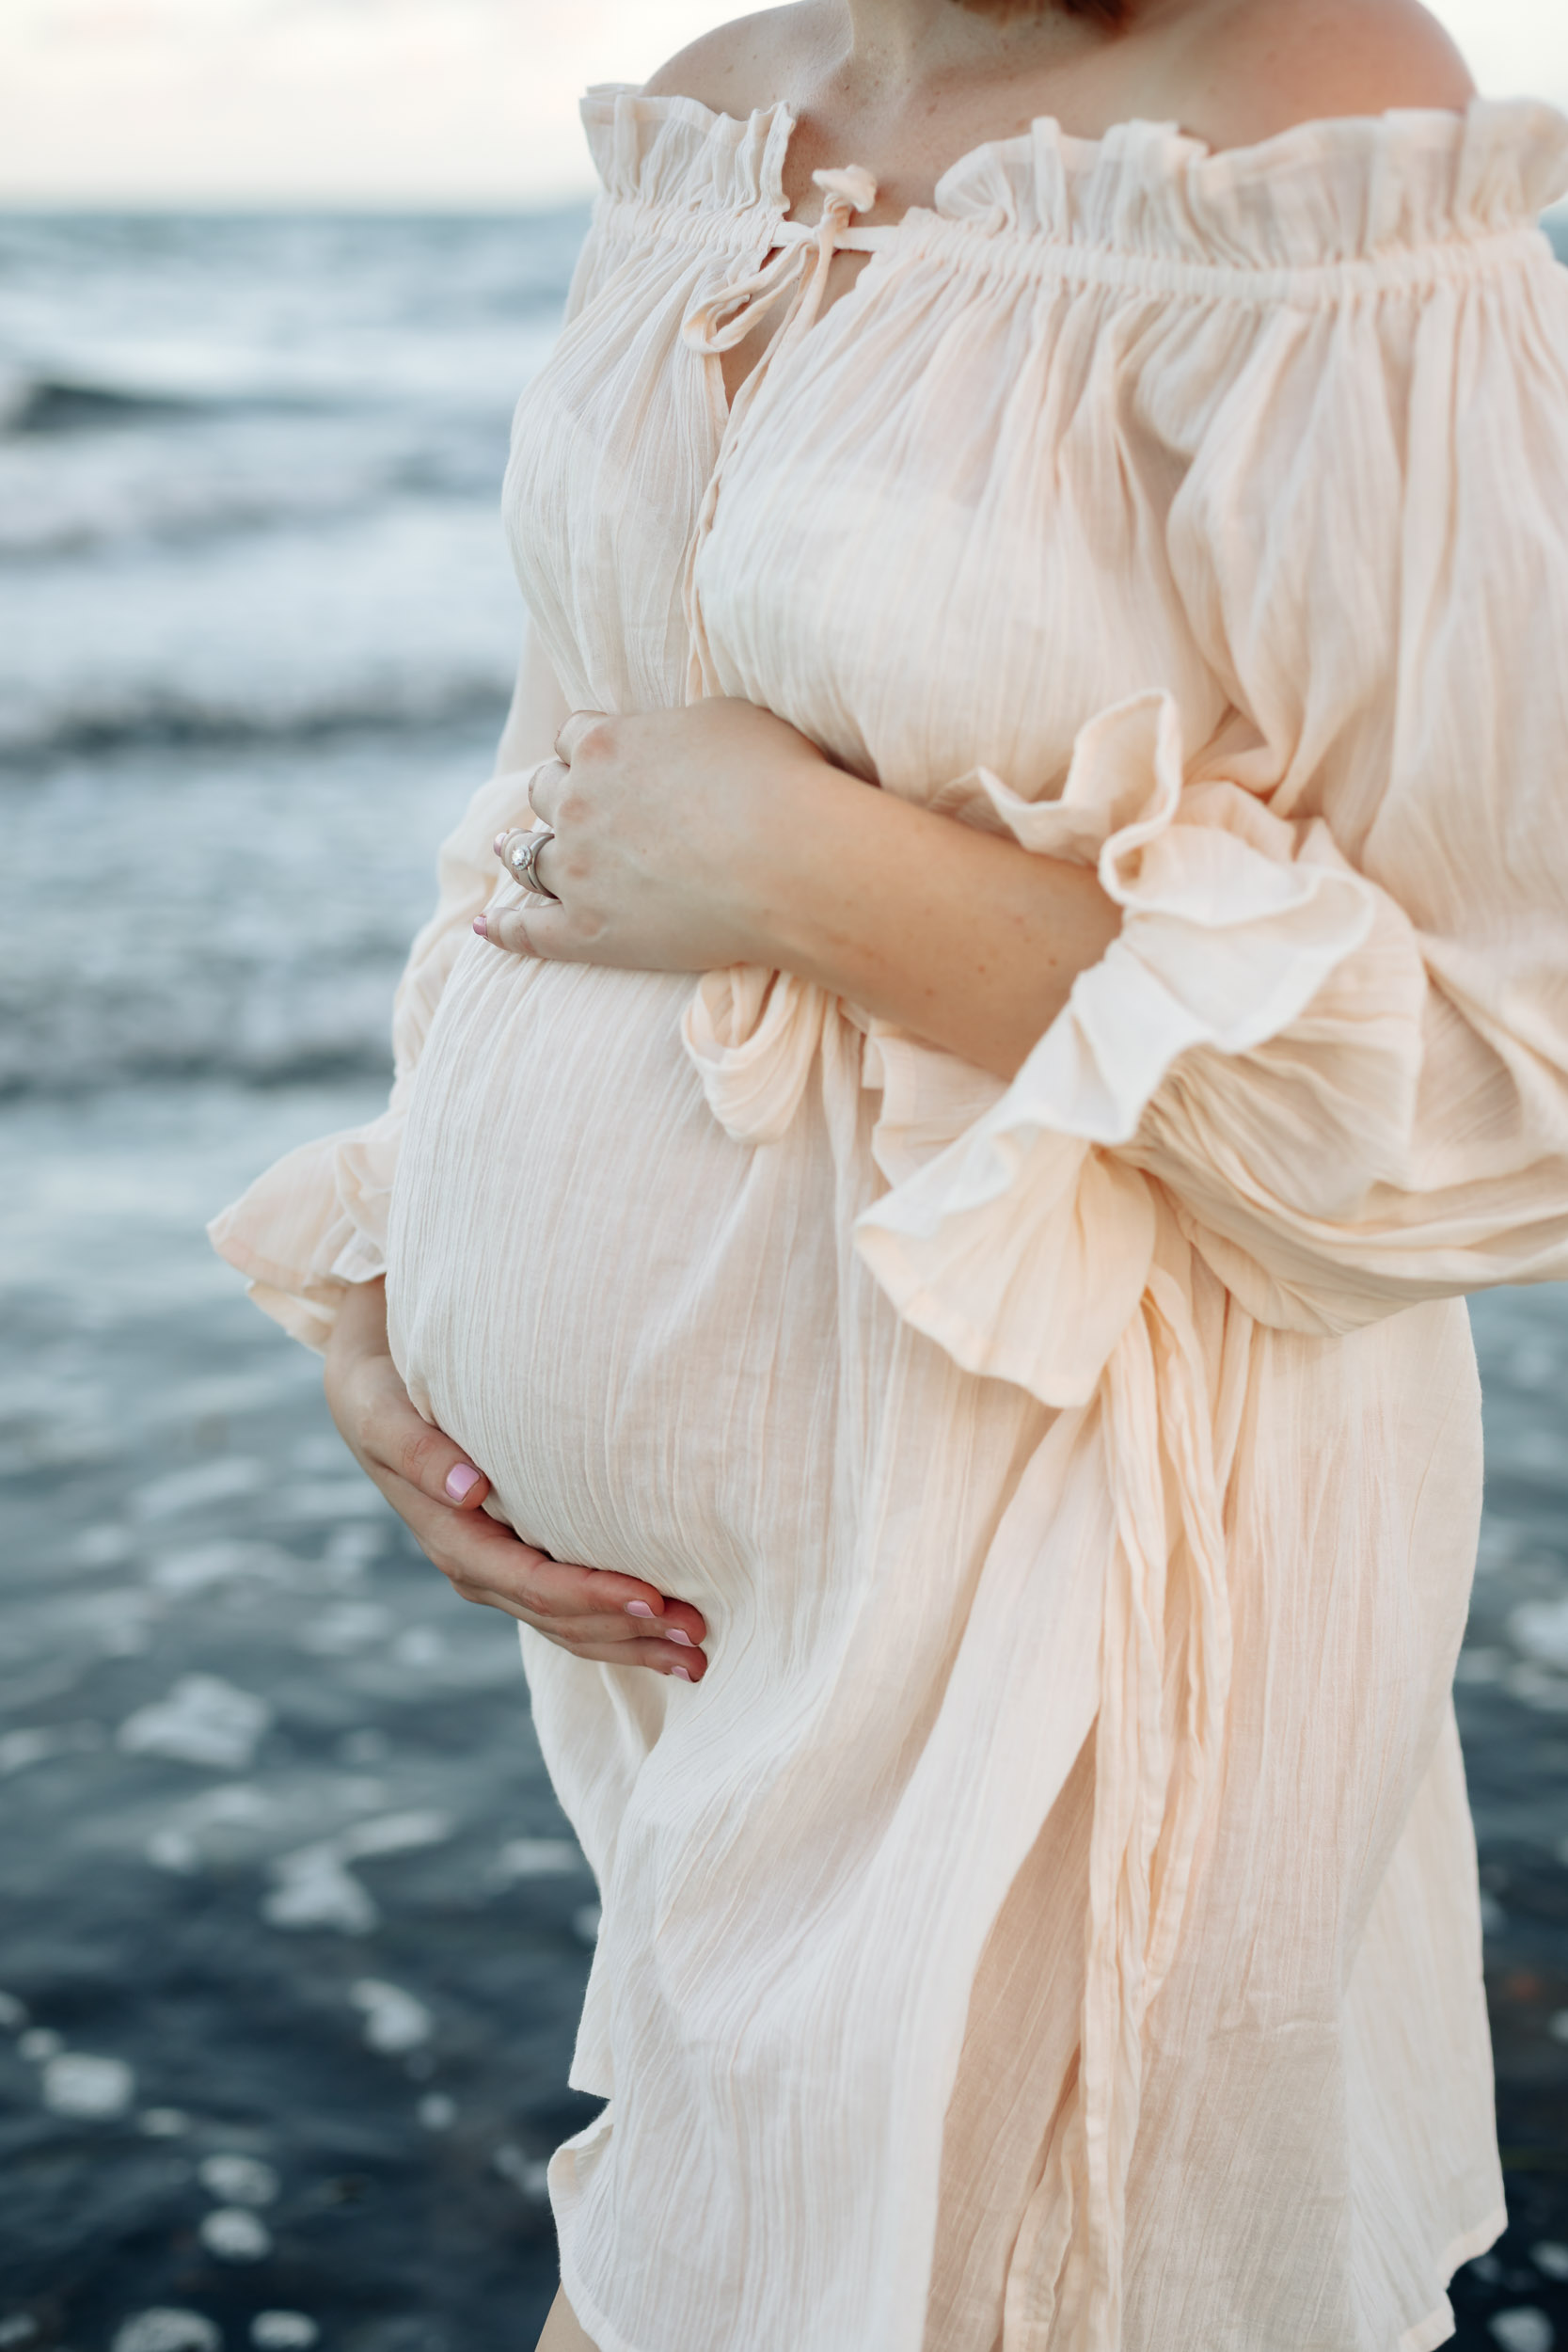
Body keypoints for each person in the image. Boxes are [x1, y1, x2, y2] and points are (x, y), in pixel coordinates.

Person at [209, 0, 1568, 2344]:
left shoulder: (1309, 132)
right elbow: (561, 781)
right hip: (708, 1648)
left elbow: (1501, 1093)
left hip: (1067, 1573)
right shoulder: (731, 108)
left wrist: (820, 878)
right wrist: (394, 1275)